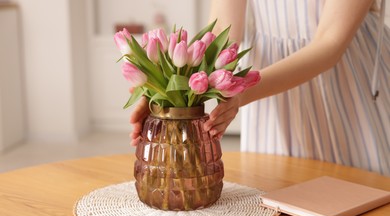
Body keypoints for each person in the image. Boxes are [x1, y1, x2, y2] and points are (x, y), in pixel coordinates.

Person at [129, 0, 390, 176]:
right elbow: (222, 30)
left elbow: (329, 44)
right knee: (279, 198)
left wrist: (242, 90)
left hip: (345, 88)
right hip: (270, 97)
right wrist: (165, 93)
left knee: (361, 203)